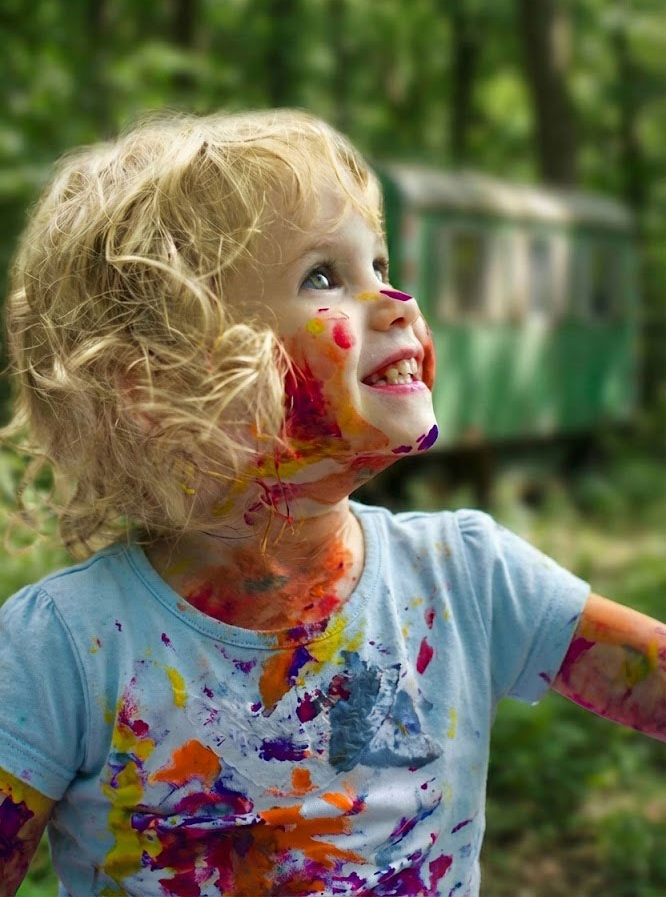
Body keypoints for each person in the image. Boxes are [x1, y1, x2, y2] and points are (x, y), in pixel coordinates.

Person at [0, 110, 663, 897]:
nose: (396, 300)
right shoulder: (66, 650)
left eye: (379, 264)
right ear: (163, 386)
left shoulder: (464, 578)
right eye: (325, 276)